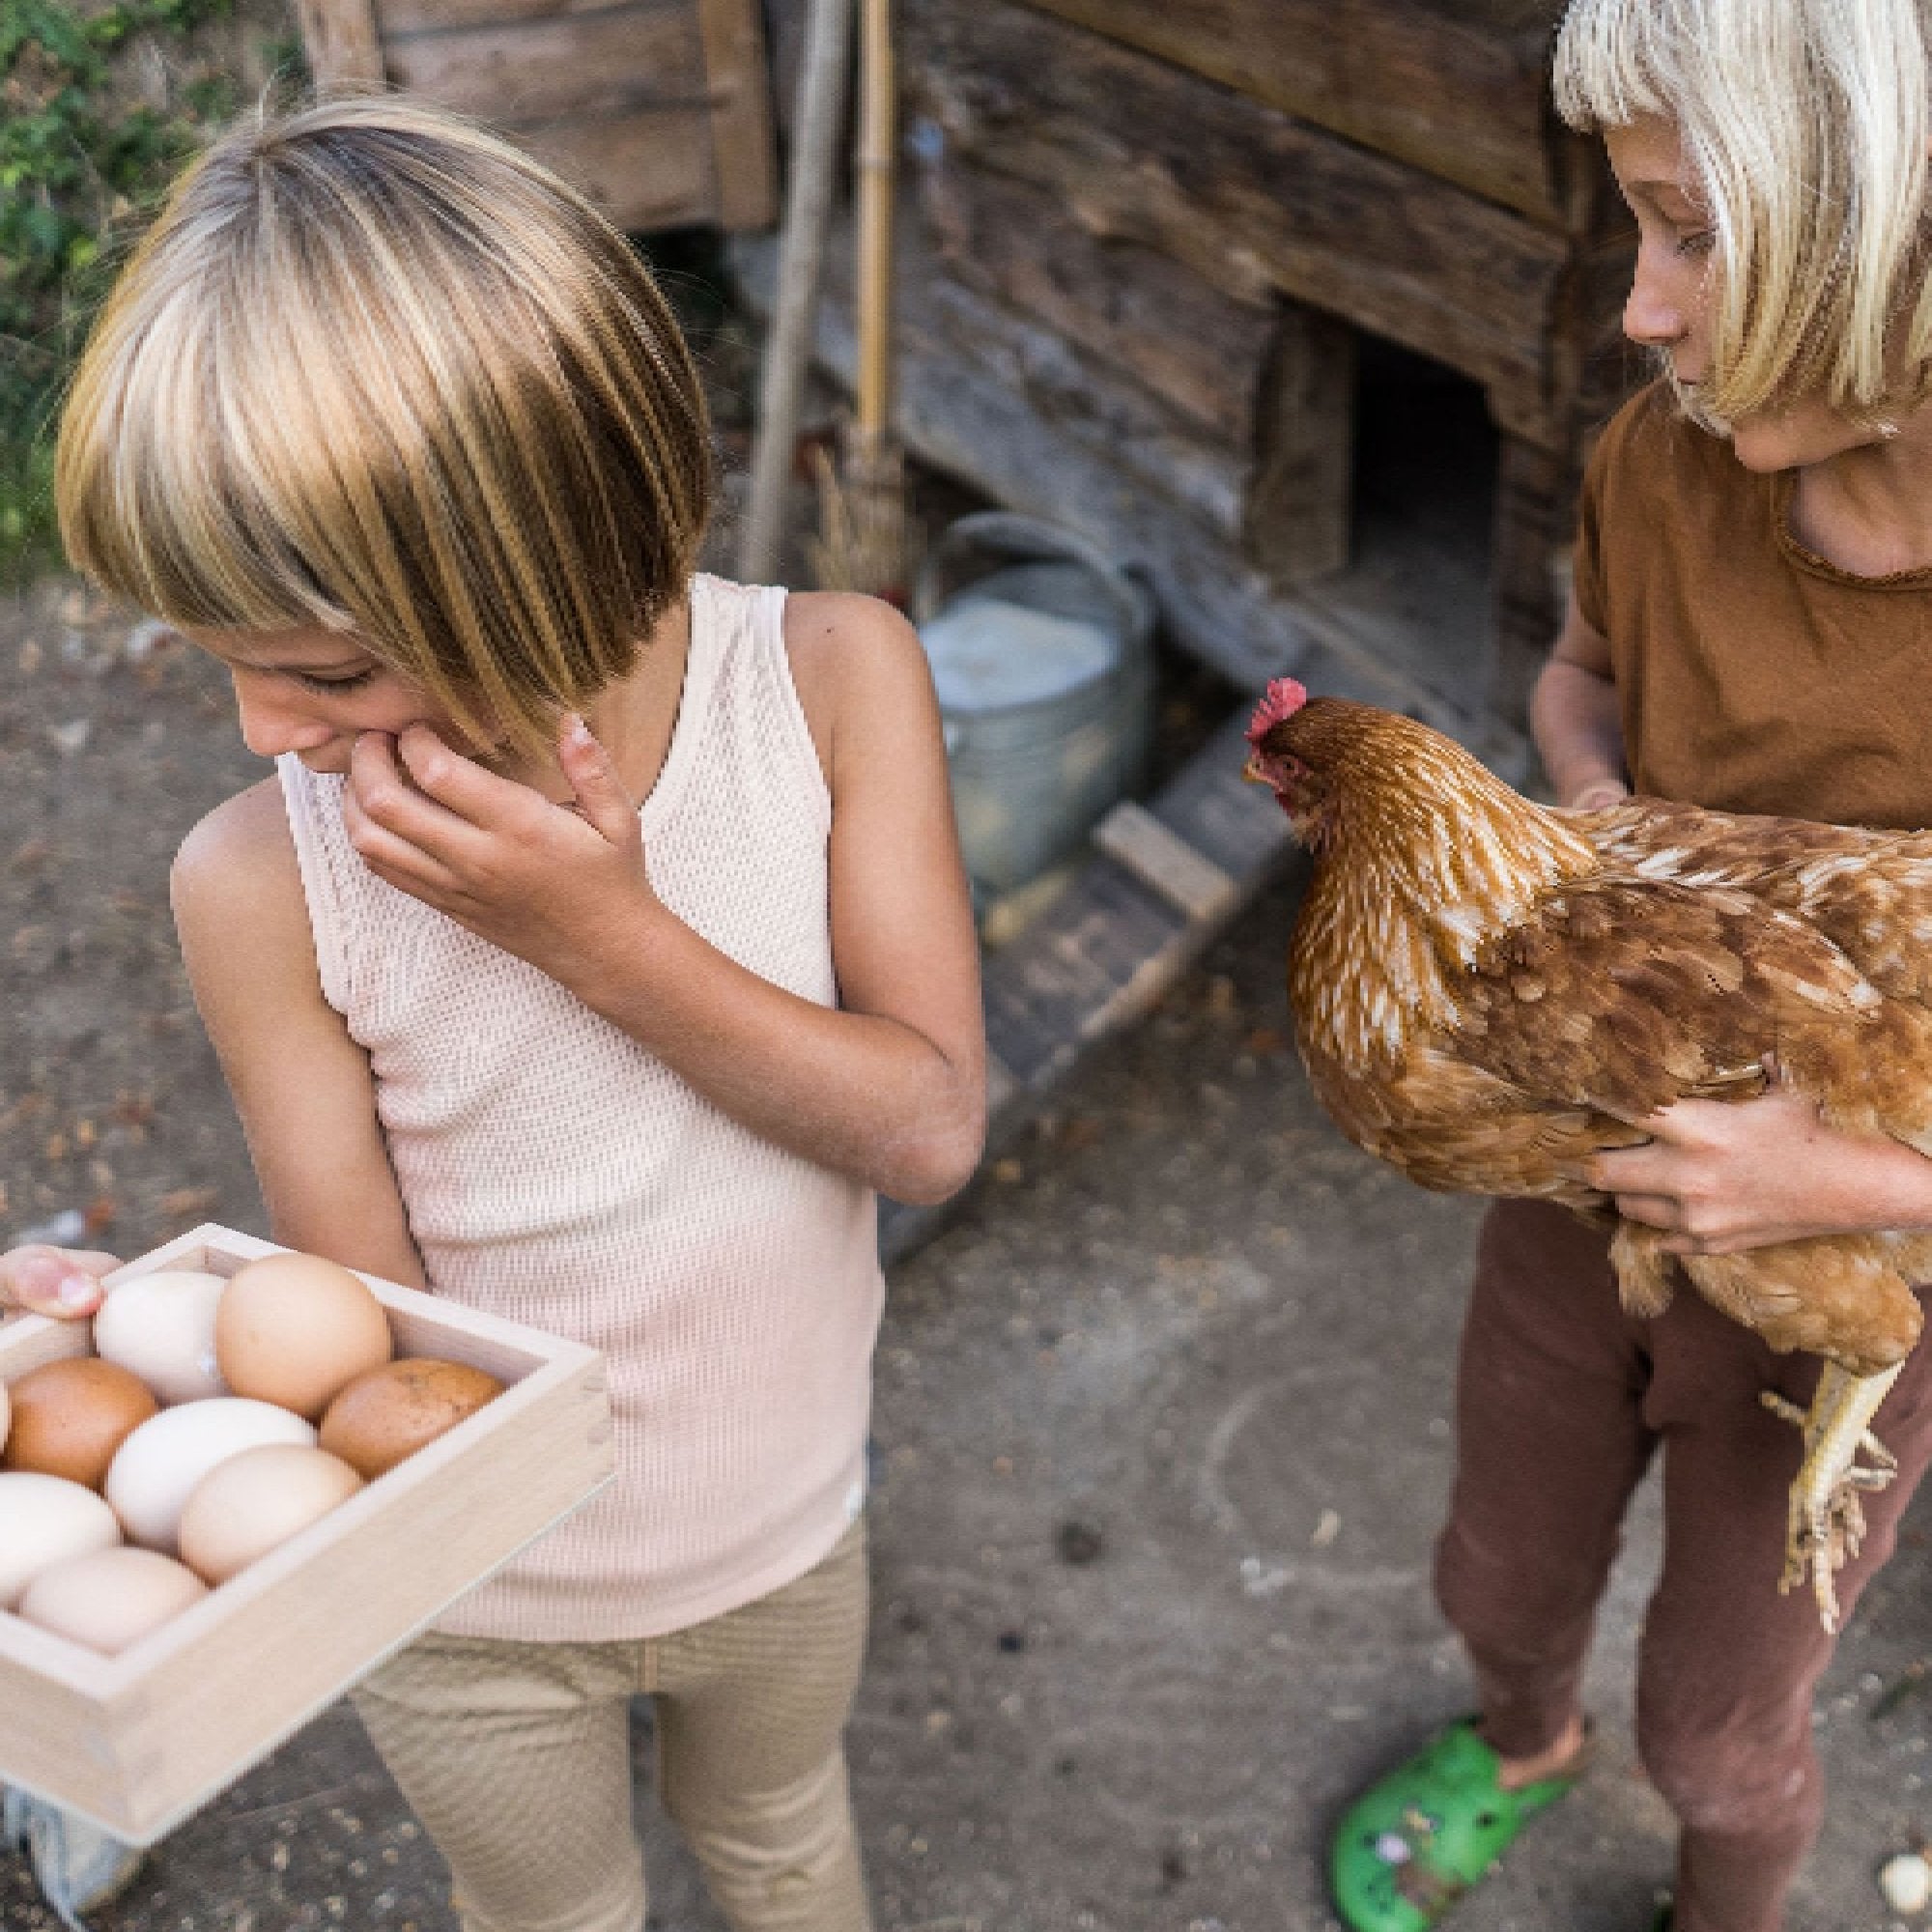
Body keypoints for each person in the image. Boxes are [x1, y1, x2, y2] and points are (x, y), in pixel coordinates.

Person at [2, 93, 984, 1932]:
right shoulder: (261, 882)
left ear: (535, 563)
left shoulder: (835, 685)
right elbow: (355, 1330)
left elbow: (927, 1128)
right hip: (463, 1606)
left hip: (780, 1534)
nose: (260, 734)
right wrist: (129, 1365)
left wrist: (600, 936)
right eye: (225, 667)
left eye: (323, 672)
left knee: (783, 1841)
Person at [1327, 3, 1932, 1930]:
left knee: (1723, 1733)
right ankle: (1520, 1738)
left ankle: (1725, 1899)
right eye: (1637, 232)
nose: (1639, 310)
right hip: (1582, 1182)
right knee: (1499, 1571)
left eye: (1694, 233)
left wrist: (1840, 1179)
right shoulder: (1666, 465)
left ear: (1895, 237)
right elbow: (1577, 677)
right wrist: (1586, 823)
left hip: (1850, 1280)